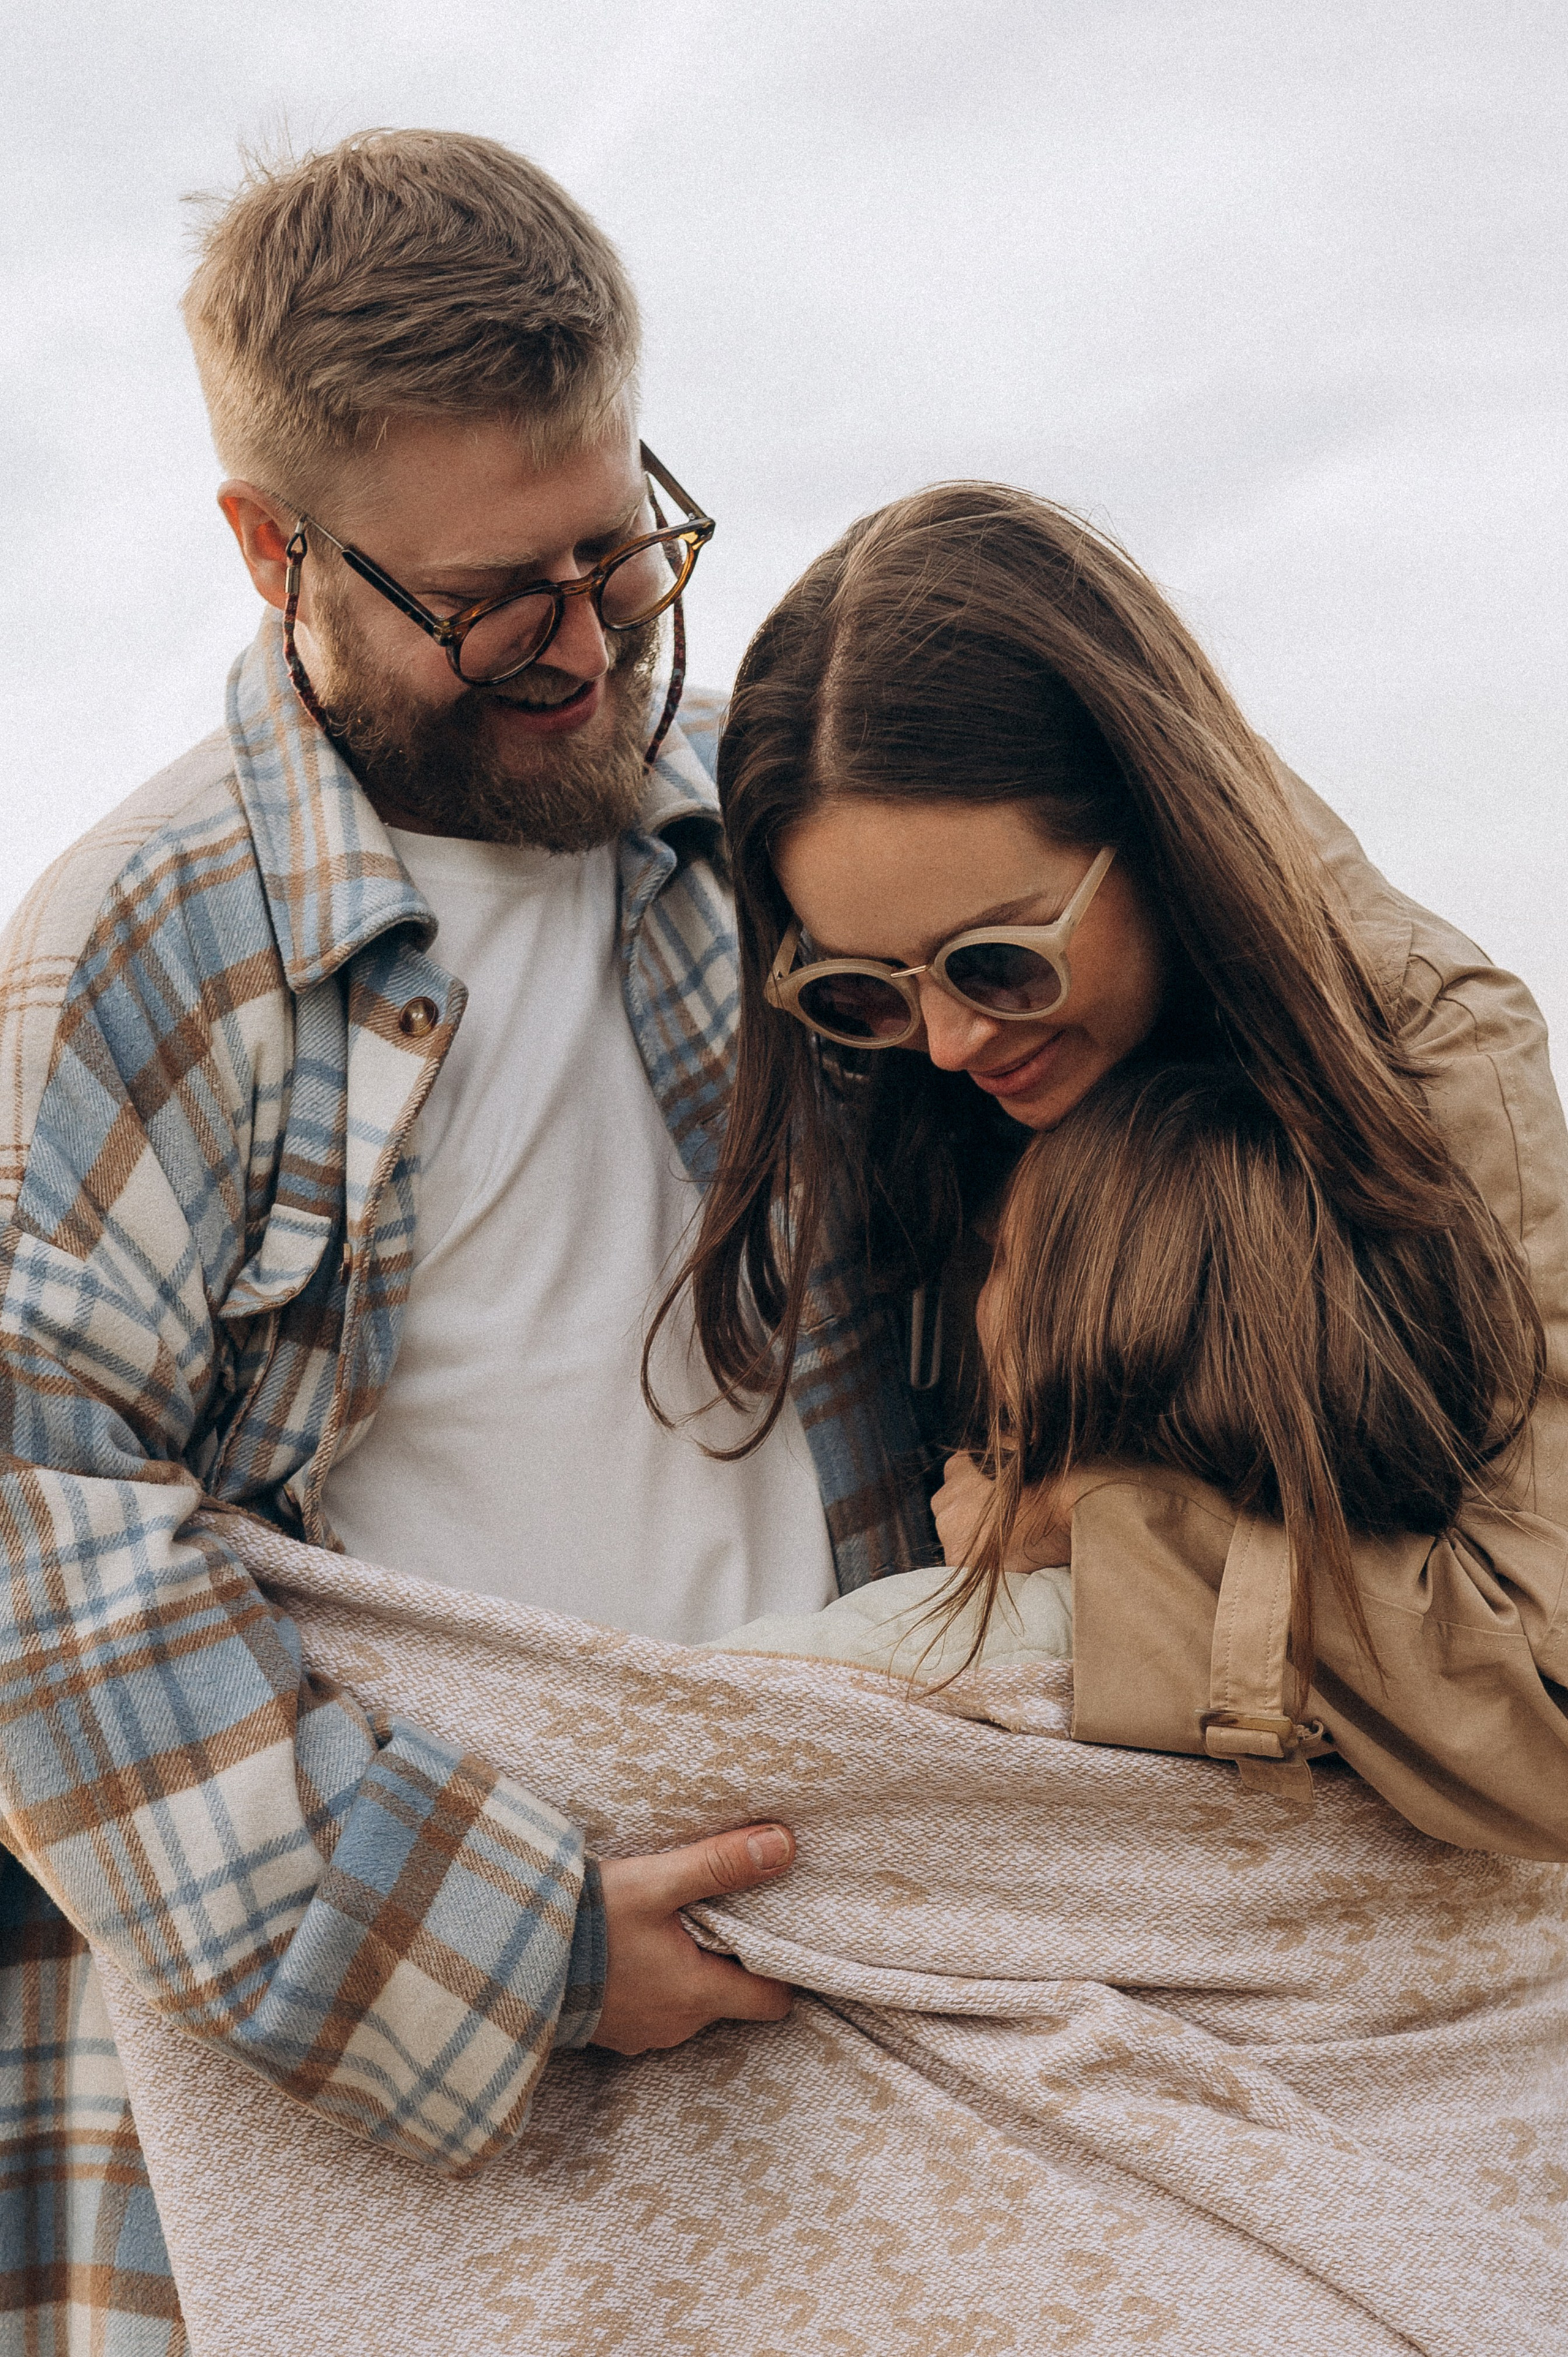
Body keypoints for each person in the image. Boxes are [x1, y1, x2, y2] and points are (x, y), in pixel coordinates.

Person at [0, 133, 936, 2348]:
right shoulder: (135, 961)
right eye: (497, 593)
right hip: (396, 2092)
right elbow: (43, 1560)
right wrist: (514, 1954)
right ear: (269, 549)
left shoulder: (777, 837)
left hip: (851, 2003)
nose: (588, 638)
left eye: (619, 549)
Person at [671, 480, 1568, 1857]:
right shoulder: (893, 1054)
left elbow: (1541, 1704)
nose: (953, 1042)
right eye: (866, 988)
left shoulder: (1424, 1046)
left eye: (999, 962)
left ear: (1156, 830)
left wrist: (1087, 1521)